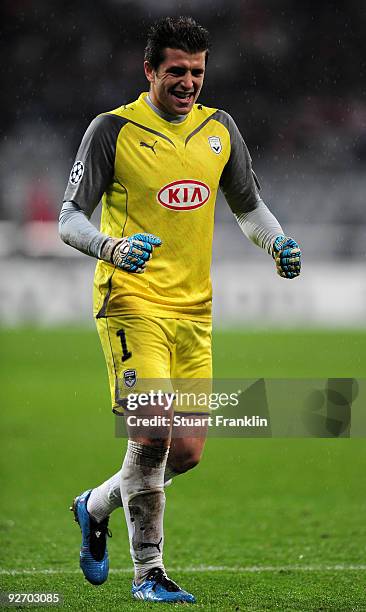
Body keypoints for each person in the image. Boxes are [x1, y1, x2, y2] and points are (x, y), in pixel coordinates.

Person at [59, 15, 301, 604]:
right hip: (130, 303)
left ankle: (94, 506)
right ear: (149, 71)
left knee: (186, 452)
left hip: (193, 313)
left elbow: (248, 207)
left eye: (197, 71)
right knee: (150, 431)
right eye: (176, 71)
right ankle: (149, 574)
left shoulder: (219, 130)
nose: (189, 82)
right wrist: (112, 247)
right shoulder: (111, 130)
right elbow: (69, 219)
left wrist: (278, 243)